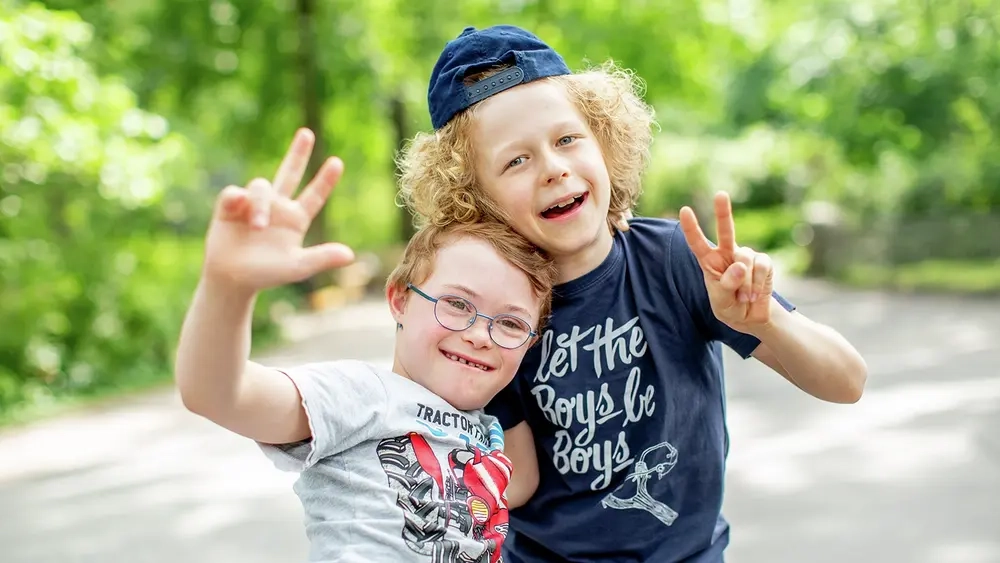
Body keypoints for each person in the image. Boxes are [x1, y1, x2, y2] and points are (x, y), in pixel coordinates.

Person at [396, 25, 869, 563]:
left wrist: (765, 323)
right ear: (473, 197)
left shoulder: (673, 262)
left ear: (605, 141)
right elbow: (519, 479)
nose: (554, 168)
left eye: (567, 139)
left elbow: (847, 382)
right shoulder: (491, 313)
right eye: (516, 161)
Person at [174, 129, 558, 562]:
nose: (478, 334)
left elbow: (521, 482)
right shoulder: (362, 394)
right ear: (399, 299)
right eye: (456, 304)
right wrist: (228, 287)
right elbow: (217, 393)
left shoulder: (485, 433)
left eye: (509, 323)